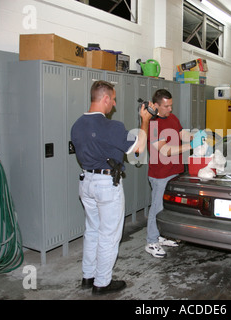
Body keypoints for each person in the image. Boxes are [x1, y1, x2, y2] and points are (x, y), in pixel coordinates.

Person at [71, 80, 152, 295]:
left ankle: (88, 276)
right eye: (113, 99)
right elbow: (139, 148)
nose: (114, 104)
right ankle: (102, 283)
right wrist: (144, 121)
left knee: (92, 231)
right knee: (108, 235)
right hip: (106, 185)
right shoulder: (111, 126)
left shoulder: (77, 124)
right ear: (105, 98)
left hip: (86, 182)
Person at [145, 89, 193, 258]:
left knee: (168, 208)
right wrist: (189, 147)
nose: (170, 109)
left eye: (171, 105)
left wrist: (195, 137)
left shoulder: (172, 118)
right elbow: (164, 150)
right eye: (166, 106)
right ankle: (151, 241)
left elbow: (182, 134)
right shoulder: (153, 124)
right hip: (160, 174)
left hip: (175, 171)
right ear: (156, 105)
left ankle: (161, 236)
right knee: (157, 208)